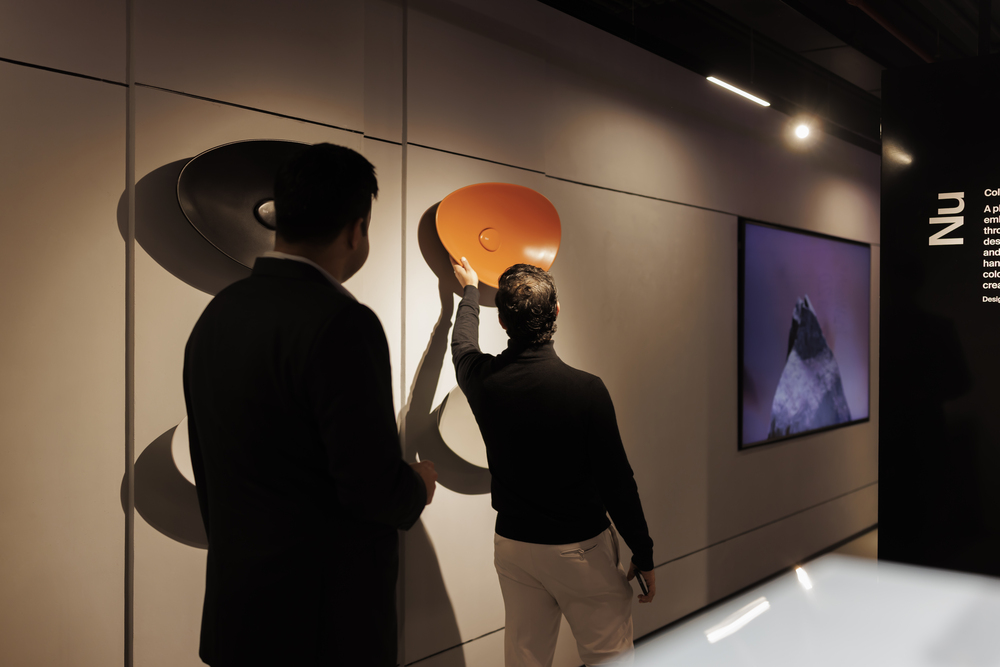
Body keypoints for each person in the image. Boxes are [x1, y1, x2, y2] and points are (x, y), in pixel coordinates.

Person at [183, 143, 437, 667]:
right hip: (321, 629)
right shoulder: (344, 323)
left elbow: (211, 469)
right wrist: (417, 484)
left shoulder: (219, 312)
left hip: (238, 619)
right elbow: (370, 487)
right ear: (356, 230)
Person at [450, 258, 655, 667]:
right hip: (580, 550)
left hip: (514, 546)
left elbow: (462, 346)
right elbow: (617, 481)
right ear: (556, 311)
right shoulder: (586, 390)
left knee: (525, 658)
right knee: (609, 657)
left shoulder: (482, 381)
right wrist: (643, 552)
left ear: (503, 322)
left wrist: (470, 291)